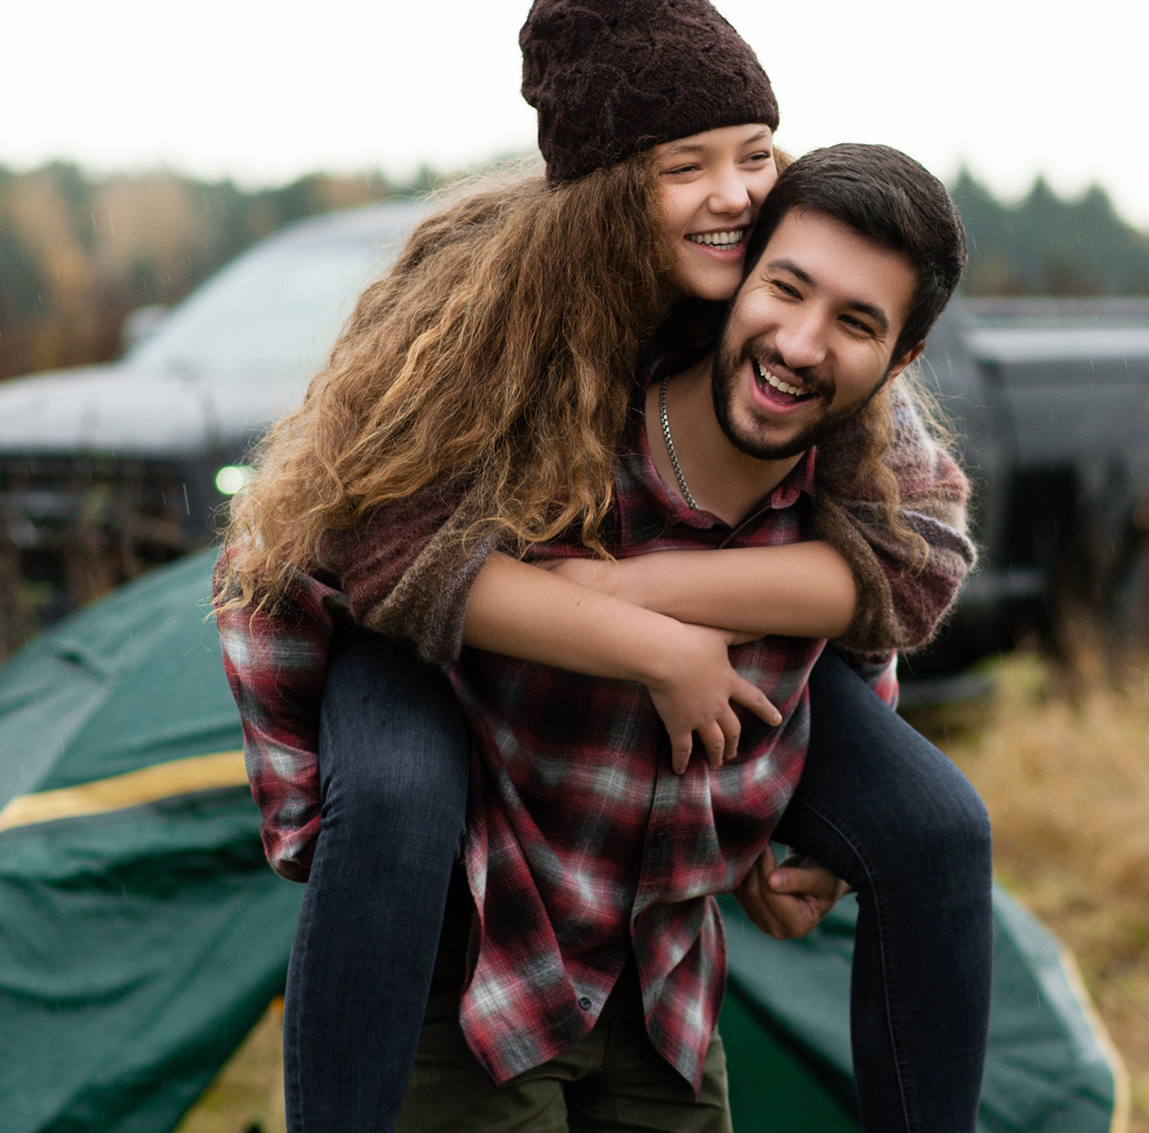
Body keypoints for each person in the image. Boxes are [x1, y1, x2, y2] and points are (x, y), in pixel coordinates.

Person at [216, 3, 992, 1130]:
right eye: (688, 165)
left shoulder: (781, 299)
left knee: (933, 825)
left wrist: (635, 594)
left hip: (666, 670)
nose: (734, 191)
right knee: (396, 796)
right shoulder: (499, 304)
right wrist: (646, 644)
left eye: (754, 154)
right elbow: (371, 546)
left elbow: (907, 563)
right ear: (609, 188)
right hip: (415, 638)